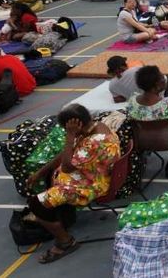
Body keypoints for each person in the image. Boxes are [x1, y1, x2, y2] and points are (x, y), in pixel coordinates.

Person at [24, 104, 121, 263]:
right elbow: (67, 154)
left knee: (36, 204)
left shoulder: (95, 142)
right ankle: (63, 217)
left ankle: (65, 242)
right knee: (49, 176)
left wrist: (70, 137)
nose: (65, 131)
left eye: (66, 128)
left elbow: (68, 167)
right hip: (92, 175)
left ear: (77, 126)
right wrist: (40, 172)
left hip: (91, 185)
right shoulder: (97, 126)